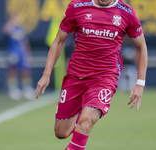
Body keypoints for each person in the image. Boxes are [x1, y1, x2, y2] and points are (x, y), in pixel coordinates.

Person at [35, 0, 148, 149]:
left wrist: (140, 83)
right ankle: (81, 114)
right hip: (76, 77)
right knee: (61, 132)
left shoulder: (127, 12)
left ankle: (85, 115)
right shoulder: (76, 7)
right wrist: (46, 74)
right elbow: (58, 41)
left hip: (105, 78)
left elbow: (141, 47)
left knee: (86, 122)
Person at [3, 13, 34, 100]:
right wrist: (11, 22)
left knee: (25, 70)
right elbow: (5, 30)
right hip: (13, 52)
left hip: (22, 52)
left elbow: (25, 40)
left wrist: (28, 52)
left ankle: (26, 87)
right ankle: (13, 88)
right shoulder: (10, 27)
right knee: (12, 70)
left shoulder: (21, 28)